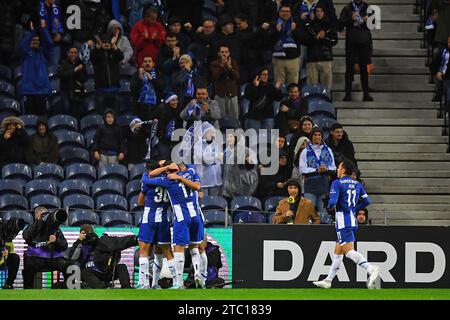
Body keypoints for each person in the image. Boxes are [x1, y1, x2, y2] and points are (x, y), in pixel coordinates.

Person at [313, 159, 379, 289]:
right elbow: (367, 201)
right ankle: (328, 280)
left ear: (343, 170)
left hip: (343, 221)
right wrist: (354, 209)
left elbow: (332, 202)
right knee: (338, 251)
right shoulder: (357, 184)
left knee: (348, 252)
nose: (337, 169)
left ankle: (371, 268)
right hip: (352, 220)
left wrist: (330, 206)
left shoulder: (337, 183)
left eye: (338, 167)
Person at [142, 163, 207, 288]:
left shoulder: (167, 181)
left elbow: (148, 177)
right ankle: (199, 275)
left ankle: (179, 282)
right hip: (196, 216)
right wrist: (181, 175)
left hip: (182, 217)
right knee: (196, 248)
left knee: (179, 249)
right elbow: (197, 186)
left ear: (169, 172)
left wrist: (167, 170)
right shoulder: (191, 172)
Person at [136, 160, 178, 289]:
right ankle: (174, 282)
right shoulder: (170, 181)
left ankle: (143, 283)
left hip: (149, 218)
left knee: (144, 251)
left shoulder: (148, 180)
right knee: (166, 252)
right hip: (164, 219)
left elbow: (139, 201)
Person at [67, 224, 137, 289]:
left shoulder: (102, 241)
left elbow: (120, 242)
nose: (88, 234)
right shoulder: (80, 245)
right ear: (81, 234)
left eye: (90, 232)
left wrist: (135, 240)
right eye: (85, 233)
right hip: (92, 273)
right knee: (84, 272)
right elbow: (73, 257)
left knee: (122, 267)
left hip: (107, 270)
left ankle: (126, 288)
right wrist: (79, 241)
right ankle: (101, 287)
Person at [22, 207, 68, 289]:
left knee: (70, 266)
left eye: (47, 215)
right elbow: (26, 236)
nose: (47, 217)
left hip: (54, 259)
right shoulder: (32, 227)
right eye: (44, 215)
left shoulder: (55, 229)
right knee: (28, 265)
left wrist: (56, 240)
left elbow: (64, 246)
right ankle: (28, 292)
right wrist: (39, 222)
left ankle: (70, 291)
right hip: (36, 259)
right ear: (38, 217)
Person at [339, 0, 374, 101]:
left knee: (364, 68)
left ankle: (366, 93)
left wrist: (367, 20)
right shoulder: (347, 8)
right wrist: (351, 19)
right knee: (349, 68)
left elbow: (374, 24)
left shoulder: (368, 8)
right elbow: (340, 24)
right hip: (351, 42)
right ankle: (348, 94)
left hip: (364, 41)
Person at [299, 126, 336, 224]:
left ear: (322, 137)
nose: (317, 137)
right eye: (315, 135)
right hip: (310, 185)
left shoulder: (328, 150)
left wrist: (326, 169)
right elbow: (302, 169)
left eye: (319, 135)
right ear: (312, 137)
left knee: (323, 213)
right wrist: (316, 170)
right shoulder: (305, 151)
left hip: (324, 185)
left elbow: (333, 167)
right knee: (308, 211)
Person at [267, 4, 307, 85]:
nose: (285, 13)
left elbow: (304, 39)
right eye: (283, 11)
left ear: (291, 13)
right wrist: (276, 32)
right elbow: (268, 40)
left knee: (293, 85)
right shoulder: (274, 23)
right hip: (278, 60)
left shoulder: (296, 23)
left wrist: (295, 30)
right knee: (279, 86)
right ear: (279, 12)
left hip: (293, 59)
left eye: (287, 11)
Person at [19, 22, 52, 115]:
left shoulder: (43, 53)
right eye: (33, 40)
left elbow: (49, 43)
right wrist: (33, 32)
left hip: (43, 91)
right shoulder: (24, 53)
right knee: (30, 119)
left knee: (42, 119)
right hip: (29, 91)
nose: (35, 41)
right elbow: (22, 45)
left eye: (37, 40)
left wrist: (42, 29)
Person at [305, 4, 338, 89]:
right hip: (312, 59)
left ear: (324, 12)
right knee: (312, 88)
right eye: (317, 11)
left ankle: (327, 102)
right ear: (314, 13)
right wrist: (316, 37)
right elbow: (305, 40)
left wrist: (324, 38)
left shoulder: (330, 25)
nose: (319, 13)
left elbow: (334, 41)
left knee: (326, 88)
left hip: (326, 59)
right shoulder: (309, 25)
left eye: (321, 11)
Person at [91, 33, 124, 114]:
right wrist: (97, 47)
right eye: (104, 42)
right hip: (101, 90)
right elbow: (92, 57)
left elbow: (121, 57)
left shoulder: (114, 53)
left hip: (114, 89)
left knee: (115, 114)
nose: (106, 44)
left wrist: (114, 45)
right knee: (101, 114)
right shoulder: (97, 53)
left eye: (108, 42)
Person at [222, 132, 259, 200]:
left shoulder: (248, 152)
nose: (228, 139)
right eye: (228, 137)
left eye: (231, 137)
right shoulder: (227, 151)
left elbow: (252, 170)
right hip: (227, 191)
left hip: (243, 190)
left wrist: (247, 162)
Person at [209, 45, 240, 120]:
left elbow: (237, 76)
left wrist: (230, 68)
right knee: (220, 118)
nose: (224, 54)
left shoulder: (233, 62)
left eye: (226, 52)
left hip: (232, 95)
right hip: (220, 95)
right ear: (219, 53)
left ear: (229, 53)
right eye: (222, 52)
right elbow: (215, 76)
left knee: (234, 118)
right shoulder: (214, 63)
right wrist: (222, 66)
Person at [57, 46, 89, 118]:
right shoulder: (63, 62)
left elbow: (85, 78)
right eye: (71, 52)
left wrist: (79, 73)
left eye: (75, 53)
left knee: (79, 112)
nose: (73, 54)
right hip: (66, 91)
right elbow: (61, 75)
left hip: (78, 92)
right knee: (67, 111)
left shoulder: (81, 63)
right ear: (68, 53)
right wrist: (75, 70)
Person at [193, 122, 223, 196]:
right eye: (210, 132)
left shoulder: (215, 144)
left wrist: (216, 158)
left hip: (215, 178)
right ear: (204, 133)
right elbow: (204, 159)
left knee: (214, 202)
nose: (212, 134)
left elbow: (220, 159)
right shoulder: (198, 145)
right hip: (204, 179)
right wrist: (216, 157)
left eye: (213, 132)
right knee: (204, 202)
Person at [131, 56, 165, 121]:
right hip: (141, 107)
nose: (147, 63)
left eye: (150, 61)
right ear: (142, 64)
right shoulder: (137, 75)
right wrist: (140, 78)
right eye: (145, 61)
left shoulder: (158, 74)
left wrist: (152, 79)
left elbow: (162, 87)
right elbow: (133, 89)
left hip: (155, 106)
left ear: (153, 64)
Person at [38, 0, 64, 66]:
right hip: (40, 45)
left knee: (53, 70)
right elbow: (30, 24)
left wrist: (60, 35)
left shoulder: (57, 6)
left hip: (54, 46)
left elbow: (63, 22)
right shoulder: (38, 6)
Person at [0, 217, 24, 289]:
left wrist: (6, 250)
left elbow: (9, 245)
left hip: (3, 257)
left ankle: (8, 284)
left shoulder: (8, 234)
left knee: (14, 257)